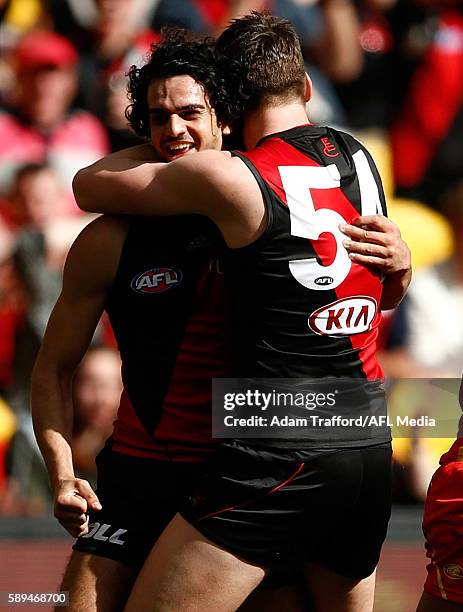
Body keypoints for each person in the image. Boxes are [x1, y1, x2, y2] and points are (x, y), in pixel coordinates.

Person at [74, 12, 412, 612]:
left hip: (279, 436)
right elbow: (381, 295)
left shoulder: (231, 176)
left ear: (226, 103)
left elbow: (88, 185)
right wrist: (403, 265)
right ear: (306, 87)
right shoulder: (359, 155)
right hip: (366, 434)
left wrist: (185, 142)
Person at [32, 32, 234, 612]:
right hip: (136, 478)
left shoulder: (266, 217)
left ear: (222, 116)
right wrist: (63, 475)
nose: (174, 132)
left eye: (190, 113)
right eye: (158, 118)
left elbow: (369, 306)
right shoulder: (109, 239)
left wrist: (396, 268)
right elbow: (52, 369)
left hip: (234, 482)